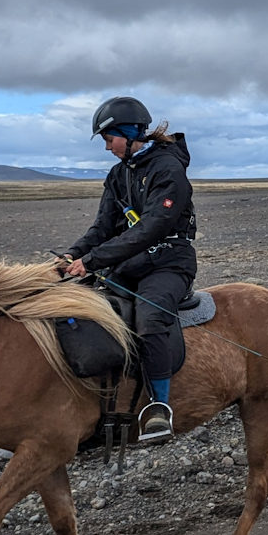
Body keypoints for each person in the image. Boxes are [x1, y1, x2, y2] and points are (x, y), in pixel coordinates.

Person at [60, 96, 198, 442]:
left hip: (168, 263)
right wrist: (71, 255)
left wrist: (92, 261)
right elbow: (102, 227)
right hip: (129, 264)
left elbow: (151, 227)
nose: (107, 148)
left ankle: (158, 410)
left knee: (150, 320)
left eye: (110, 140)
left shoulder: (168, 170)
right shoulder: (118, 174)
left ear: (131, 133)